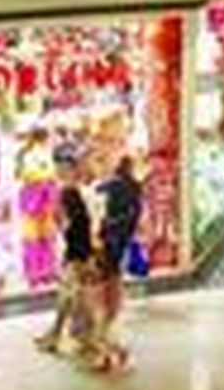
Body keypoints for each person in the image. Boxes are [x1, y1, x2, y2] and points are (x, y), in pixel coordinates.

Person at [34, 154, 94, 354]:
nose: (59, 171)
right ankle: (65, 334)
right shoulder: (71, 193)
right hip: (77, 252)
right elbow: (76, 226)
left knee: (69, 295)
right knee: (71, 295)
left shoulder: (68, 193)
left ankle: (60, 335)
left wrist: (77, 256)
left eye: (62, 168)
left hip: (77, 253)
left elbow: (76, 227)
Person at [92, 157, 143, 372]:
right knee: (111, 303)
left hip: (105, 247)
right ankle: (108, 353)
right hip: (118, 247)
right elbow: (133, 220)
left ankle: (114, 350)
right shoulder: (134, 192)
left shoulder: (107, 188)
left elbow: (98, 215)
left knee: (102, 304)